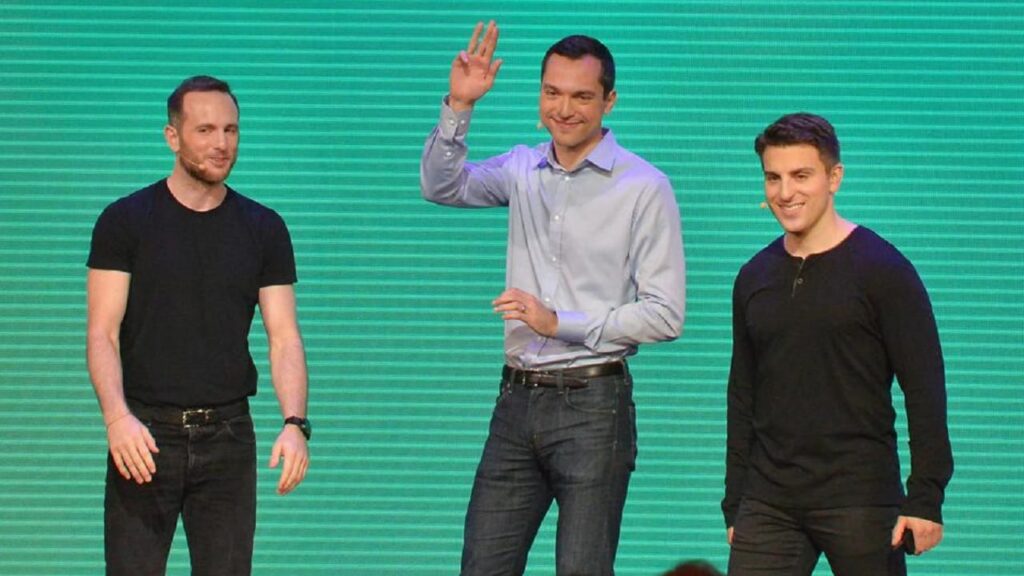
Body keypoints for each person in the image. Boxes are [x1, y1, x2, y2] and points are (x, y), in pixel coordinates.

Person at [420, 21, 686, 576]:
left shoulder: (644, 187)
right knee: (482, 566)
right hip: (516, 401)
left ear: (609, 101)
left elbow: (665, 314)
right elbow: (442, 186)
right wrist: (460, 107)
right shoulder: (521, 168)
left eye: (582, 96)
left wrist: (558, 321)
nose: (564, 110)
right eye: (552, 93)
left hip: (593, 404)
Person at [86, 75, 311, 575]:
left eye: (231, 130)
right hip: (144, 436)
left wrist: (295, 423)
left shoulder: (264, 228)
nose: (221, 144)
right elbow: (102, 333)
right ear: (173, 137)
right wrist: (117, 419)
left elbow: (284, 338)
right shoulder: (125, 221)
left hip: (228, 438)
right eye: (205, 130)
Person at [722, 112, 954, 575]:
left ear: (834, 178)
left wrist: (925, 497)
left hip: (860, 497)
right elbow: (743, 394)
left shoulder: (882, 270)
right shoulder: (754, 277)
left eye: (800, 175)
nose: (785, 192)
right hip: (769, 501)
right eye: (773, 177)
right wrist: (736, 501)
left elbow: (924, 388)